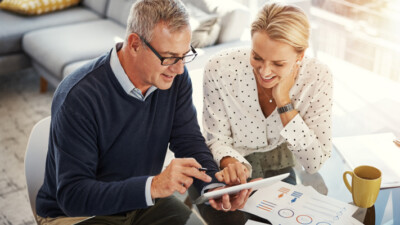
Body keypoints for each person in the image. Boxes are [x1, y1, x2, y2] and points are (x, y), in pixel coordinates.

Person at [35, 0, 251, 224]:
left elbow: (188, 140)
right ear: (135, 44)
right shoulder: (79, 96)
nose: (178, 69)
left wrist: (214, 188)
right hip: (80, 213)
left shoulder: (174, 79)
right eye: (169, 57)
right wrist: (154, 186)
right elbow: (73, 196)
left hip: (142, 201)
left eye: (184, 55)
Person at [194, 2, 333, 224]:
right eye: (257, 57)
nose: (265, 71)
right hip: (229, 163)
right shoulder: (219, 68)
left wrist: (283, 101)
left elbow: (313, 162)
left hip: (279, 162)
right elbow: (216, 138)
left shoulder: (318, 78)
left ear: (301, 55)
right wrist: (230, 163)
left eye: (278, 63)